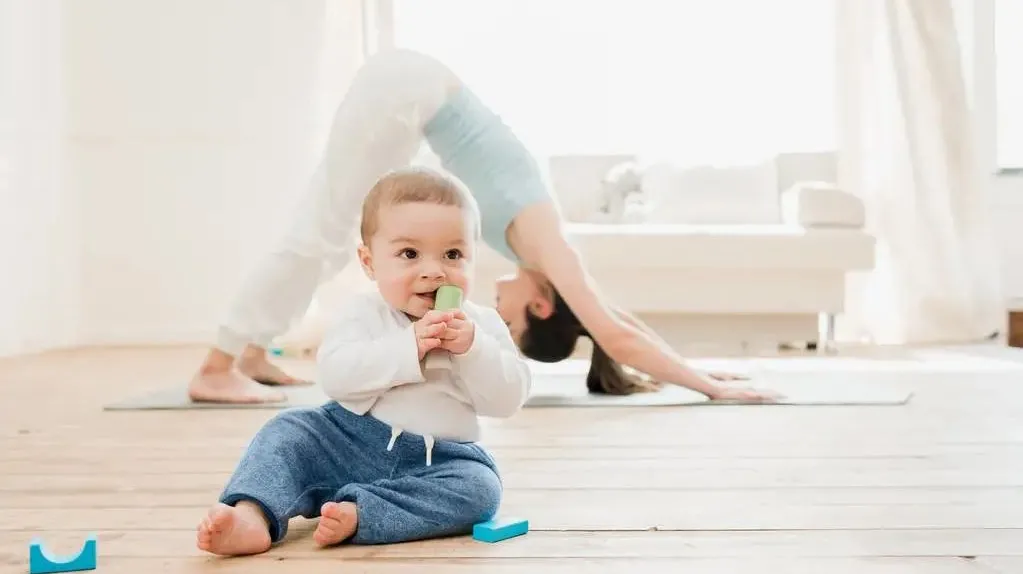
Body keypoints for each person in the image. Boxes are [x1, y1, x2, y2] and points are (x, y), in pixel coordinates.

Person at [187, 48, 778, 405]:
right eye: (515, 318)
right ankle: (217, 368)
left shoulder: (542, 255)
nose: (496, 301)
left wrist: (696, 367)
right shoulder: (551, 249)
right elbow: (614, 334)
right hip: (407, 92)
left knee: (330, 228)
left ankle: (251, 353)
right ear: (543, 307)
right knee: (323, 231)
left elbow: (611, 321)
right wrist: (708, 386)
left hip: (411, 94)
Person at [196, 168, 530, 555]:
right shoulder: (363, 313)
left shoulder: (482, 325)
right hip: (349, 439)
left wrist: (473, 349)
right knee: (287, 431)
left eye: (453, 254)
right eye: (409, 254)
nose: (434, 270)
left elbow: (508, 399)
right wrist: (409, 347)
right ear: (369, 263)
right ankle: (252, 513)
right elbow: (337, 376)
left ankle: (364, 513)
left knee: (480, 489)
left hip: (438, 457)